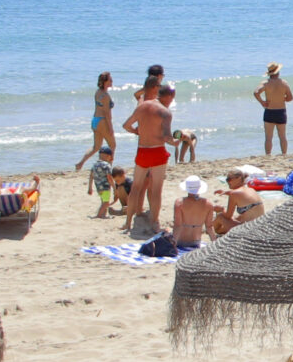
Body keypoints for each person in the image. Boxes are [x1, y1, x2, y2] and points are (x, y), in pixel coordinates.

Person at [124, 82, 173, 231]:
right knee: (157, 189)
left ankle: (127, 223)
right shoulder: (165, 112)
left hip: (142, 151)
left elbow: (126, 125)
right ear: (170, 97)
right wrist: (177, 141)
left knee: (135, 188)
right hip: (157, 151)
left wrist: (137, 132)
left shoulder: (142, 106)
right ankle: (154, 222)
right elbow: (167, 137)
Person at [76, 72, 117, 170]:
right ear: (105, 82)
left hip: (95, 120)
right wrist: (111, 128)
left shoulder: (98, 92)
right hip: (102, 121)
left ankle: (80, 163)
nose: (112, 81)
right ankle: (107, 168)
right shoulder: (106, 96)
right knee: (112, 145)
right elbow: (107, 114)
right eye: (110, 80)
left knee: (96, 147)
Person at [254, 63, 293, 154]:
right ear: (278, 72)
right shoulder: (284, 83)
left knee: (268, 137)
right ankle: (284, 154)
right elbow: (290, 98)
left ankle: (268, 155)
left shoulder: (265, 83)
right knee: (282, 136)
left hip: (269, 111)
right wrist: (282, 98)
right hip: (281, 112)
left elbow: (256, 92)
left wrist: (262, 102)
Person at [170, 176, 217, 247]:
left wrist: (173, 246)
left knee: (167, 230)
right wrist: (216, 245)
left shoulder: (179, 203)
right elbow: (209, 227)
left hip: (180, 241)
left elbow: (177, 225)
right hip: (196, 242)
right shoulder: (208, 204)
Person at [216, 169, 265, 234]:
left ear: (238, 179)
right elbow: (242, 194)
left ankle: (211, 230)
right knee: (238, 217)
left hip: (249, 229)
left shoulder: (233, 194)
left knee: (220, 217)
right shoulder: (251, 189)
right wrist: (226, 192)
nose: (227, 182)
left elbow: (228, 216)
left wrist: (221, 210)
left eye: (229, 179)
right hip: (260, 226)